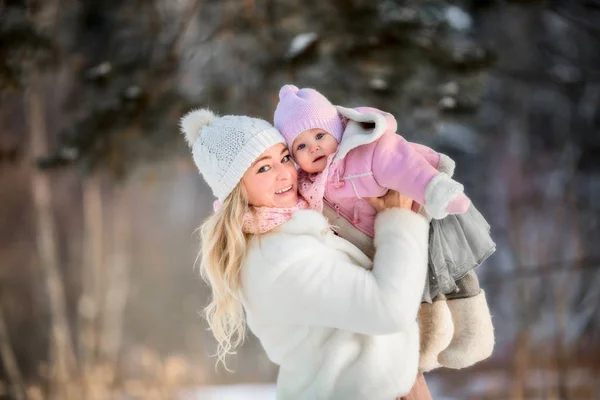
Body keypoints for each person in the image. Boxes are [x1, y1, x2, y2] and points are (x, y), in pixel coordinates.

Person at [180, 108, 431, 399]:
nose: (285, 173)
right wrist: (399, 220)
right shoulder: (277, 258)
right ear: (236, 189)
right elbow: (389, 309)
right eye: (263, 168)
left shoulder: (293, 229)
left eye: (284, 158)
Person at [273, 85, 495, 370]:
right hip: (390, 237)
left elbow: (404, 166)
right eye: (301, 146)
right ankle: (431, 340)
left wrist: (437, 191)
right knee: (419, 285)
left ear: (337, 130)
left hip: (424, 215)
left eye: (319, 135)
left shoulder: (366, 152)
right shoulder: (311, 185)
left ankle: (474, 334)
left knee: (453, 270)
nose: (313, 147)